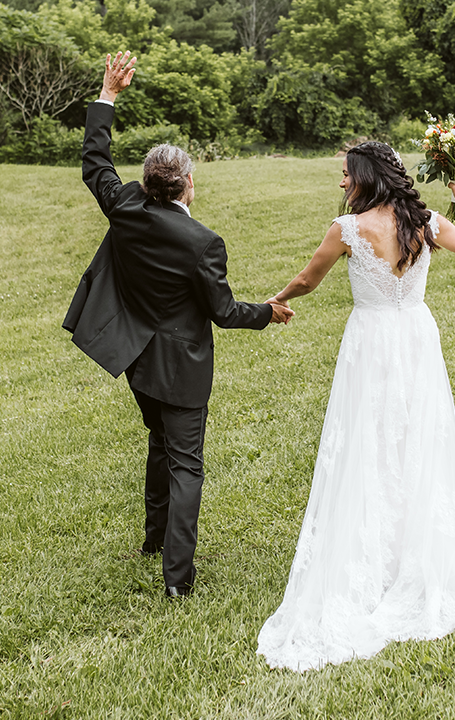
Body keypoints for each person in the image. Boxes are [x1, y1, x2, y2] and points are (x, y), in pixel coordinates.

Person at [64, 51, 294, 598]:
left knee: (160, 444)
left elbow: (94, 163)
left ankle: (154, 539)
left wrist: (109, 94)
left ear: (146, 184)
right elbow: (224, 311)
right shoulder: (202, 242)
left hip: (139, 361)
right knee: (187, 464)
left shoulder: (124, 207)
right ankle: (177, 582)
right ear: (187, 184)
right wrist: (269, 312)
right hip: (182, 369)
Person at [256, 140, 455, 670]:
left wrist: (277, 301)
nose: (341, 182)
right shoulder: (425, 222)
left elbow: (306, 280)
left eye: (345, 174)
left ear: (364, 177)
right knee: (415, 439)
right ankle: (410, 556)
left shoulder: (346, 230)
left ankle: (374, 561)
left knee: (367, 442)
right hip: (416, 339)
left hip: (370, 343)